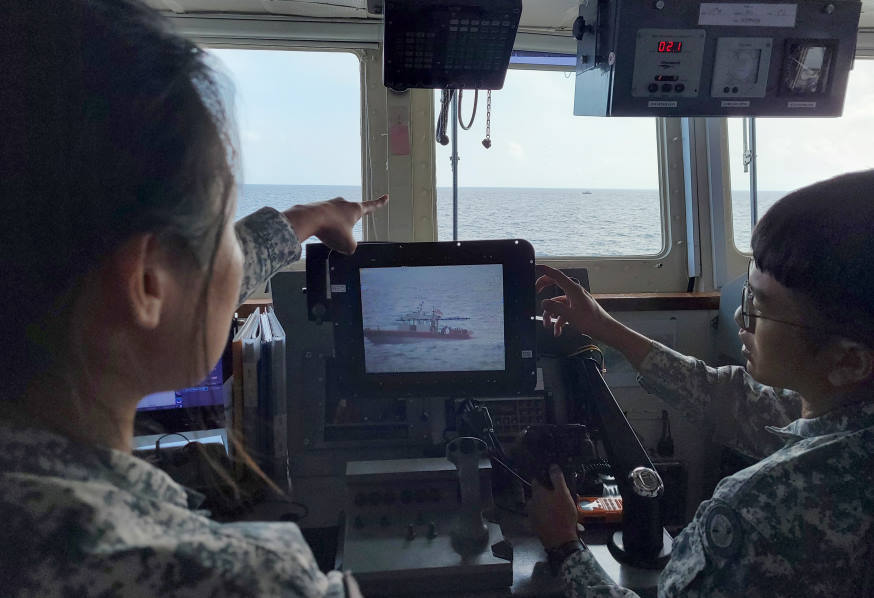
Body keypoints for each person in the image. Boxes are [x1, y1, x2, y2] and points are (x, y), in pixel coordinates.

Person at [0, 1, 387, 596]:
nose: (233, 252)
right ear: (147, 283)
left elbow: (181, 270)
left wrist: (306, 219)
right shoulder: (241, 581)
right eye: (220, 220)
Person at [529, 171, 874, 597]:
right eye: (745, 295)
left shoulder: (760, 508)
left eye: (759, 309)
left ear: (849, 360)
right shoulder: (843, 410)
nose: (738, 318)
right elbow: (733, 401)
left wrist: (566, 548)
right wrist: (604, 326)